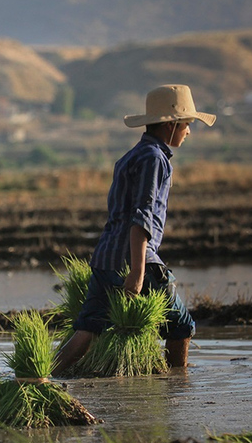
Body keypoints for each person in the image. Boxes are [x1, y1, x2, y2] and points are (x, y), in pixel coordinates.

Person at [53, 84, 216, 375]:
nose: (189, 131)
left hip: (105, 259)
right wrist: (138, 272)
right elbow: (141, 217)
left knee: (88, 329)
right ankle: (177, 391)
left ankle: (41, 375)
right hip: (134, 259)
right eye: (188, 124)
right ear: (172, 125)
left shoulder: (131, 156)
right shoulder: (154, 159)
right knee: (181, 325)